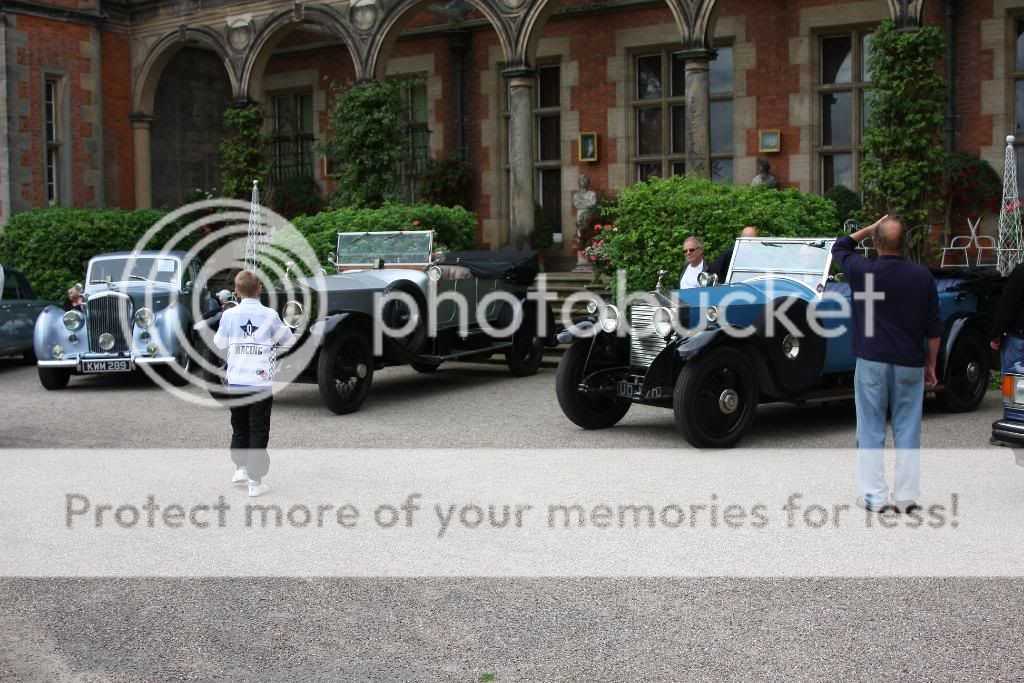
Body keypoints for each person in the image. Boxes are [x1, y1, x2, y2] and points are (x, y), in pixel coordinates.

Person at [832, 215, 942, 514]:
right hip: (909, 362)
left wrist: (866, 230)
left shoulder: (862, 272)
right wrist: (931, 364)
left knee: (870, 429)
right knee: (908, 430)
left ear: (876, 242)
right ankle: (906, 497)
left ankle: (874, 498)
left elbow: (839, 247)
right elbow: (933, 328)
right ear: (904, 243)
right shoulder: (922, 277)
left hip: (871, 360)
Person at [213, 270, 294, 498]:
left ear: (236, 292)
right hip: (260, 382)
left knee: (239, 426)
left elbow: (219, 342)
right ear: (259, 289)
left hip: (237, 381)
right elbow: (288, 340)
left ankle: (240, 468)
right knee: (258, 428)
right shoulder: (269, 314)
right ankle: (255, 481)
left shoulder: (229, 315)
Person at [990, 262, 1024, 376]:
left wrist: (996, 333)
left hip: (1018, 337)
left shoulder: (1020, 271)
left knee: (1016, 387)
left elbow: (1008, 305)